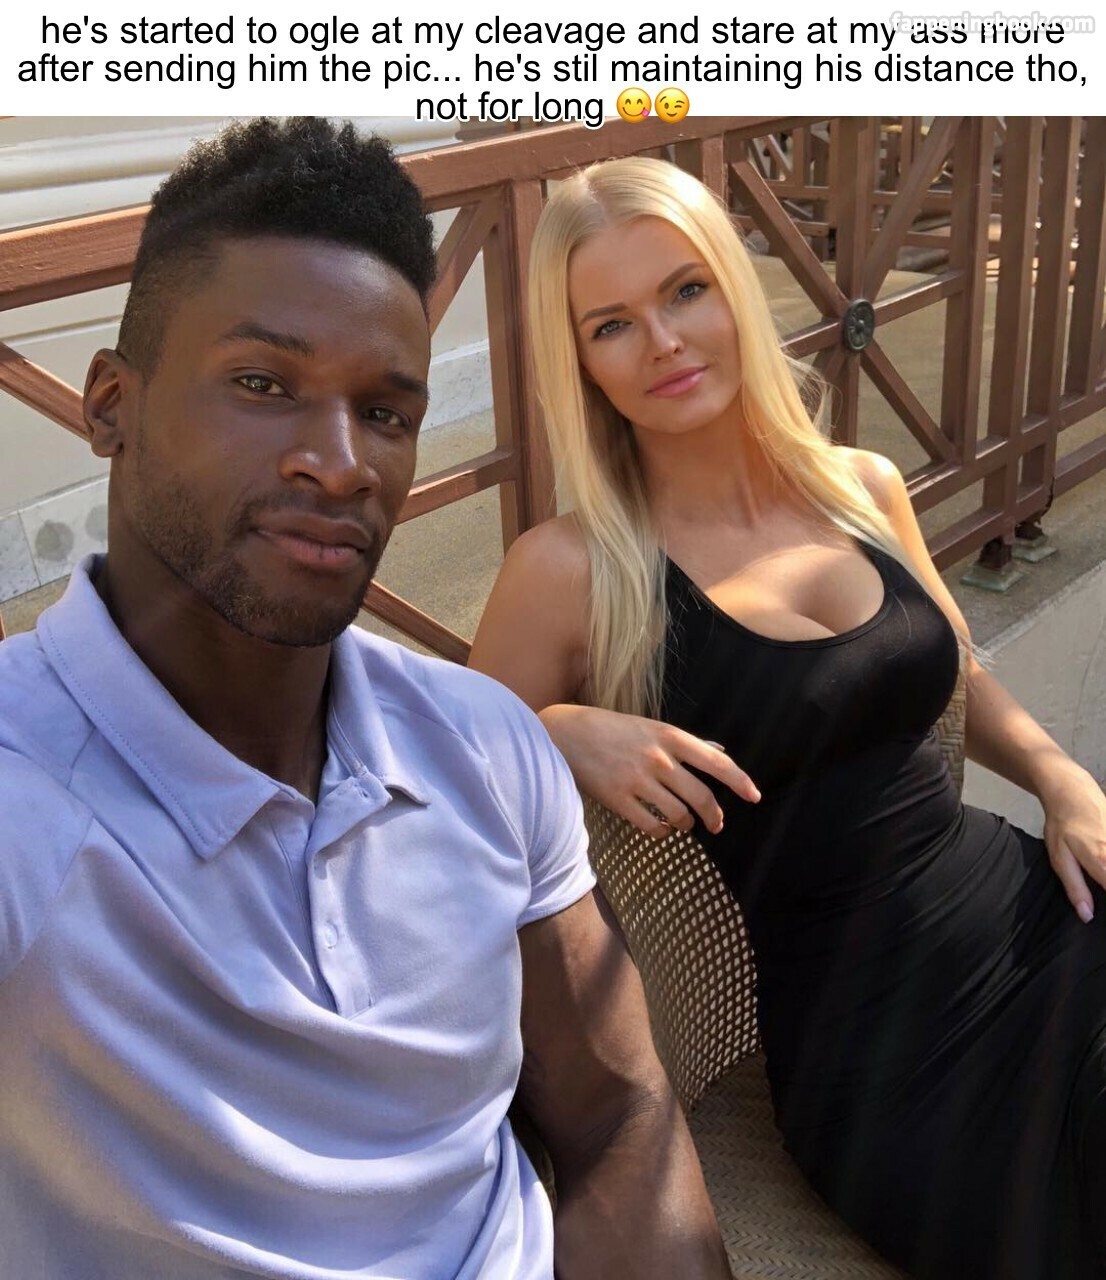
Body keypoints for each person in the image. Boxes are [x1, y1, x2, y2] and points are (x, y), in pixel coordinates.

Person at [0, 120, 733, 1280]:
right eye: (262, 384)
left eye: (386, 412)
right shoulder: (23, 796)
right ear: (108, 405)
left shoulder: (483, 742)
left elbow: (616, 1112)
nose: (340, 463)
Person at [469, 155, 1106, 1280]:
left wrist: (1060, 778)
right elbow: (443, 757)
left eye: (685, 291)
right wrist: (553, 728)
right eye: (611, 324)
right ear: (580, 362)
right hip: (887, 1063)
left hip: (1035, 920)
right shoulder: (571, 569)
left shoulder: (859, 485)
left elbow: (957, 669)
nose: (662, 341)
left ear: (734, 290)